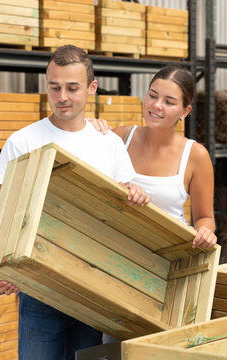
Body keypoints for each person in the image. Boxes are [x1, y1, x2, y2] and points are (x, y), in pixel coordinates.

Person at [0, 45, 150, 360]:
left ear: (91, 88)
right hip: (40, 285)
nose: (62, 96)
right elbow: (5, 213)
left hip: (94, 284)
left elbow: (124, 209)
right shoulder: (22, 142)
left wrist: (137, 196)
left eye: (72, 87)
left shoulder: (109, 143)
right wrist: (3, 266)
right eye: (55, 87)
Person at [93, 64, 217, 249]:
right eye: (152, 95)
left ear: (185, 112)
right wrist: (89, 130)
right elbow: (92, 187)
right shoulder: (119, 137)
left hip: (167, 255)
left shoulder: (195, 155)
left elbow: (205, 218)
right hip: (115, 248)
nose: (157, 105)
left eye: (169, 102)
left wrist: (205, 232)